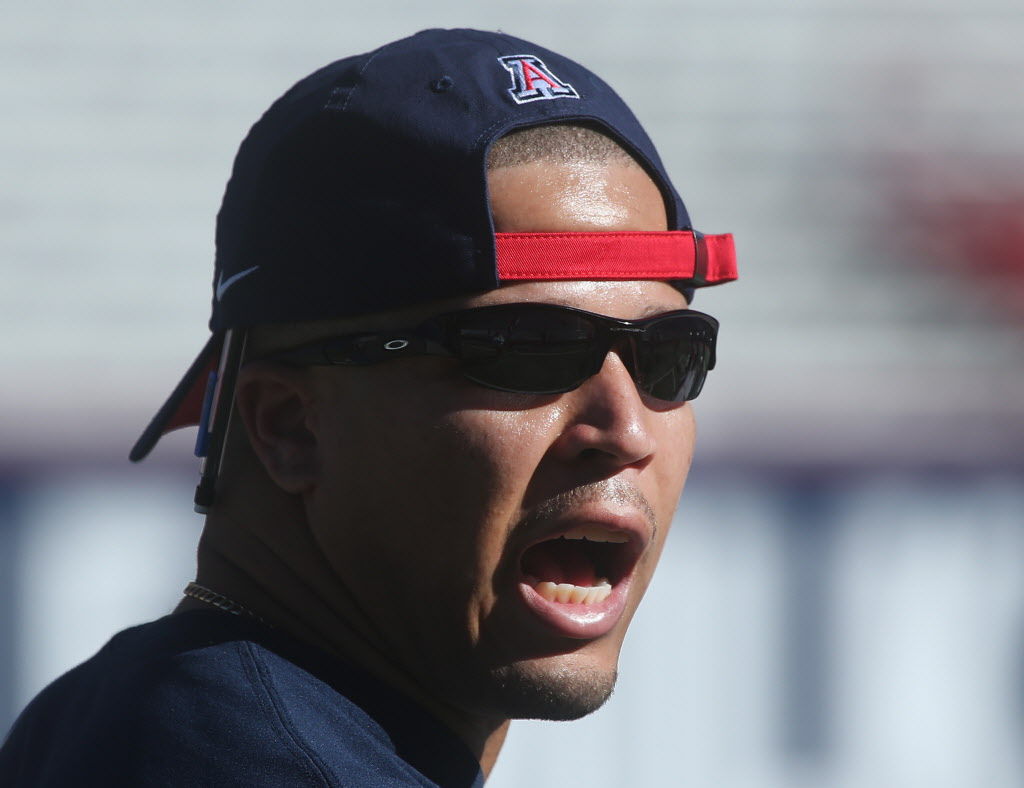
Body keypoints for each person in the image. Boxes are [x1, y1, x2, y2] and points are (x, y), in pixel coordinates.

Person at [0, 28, 736, 786]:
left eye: (668, 356)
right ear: (290, 428)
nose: (626, 428)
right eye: (528, 349)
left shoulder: (112, 709)